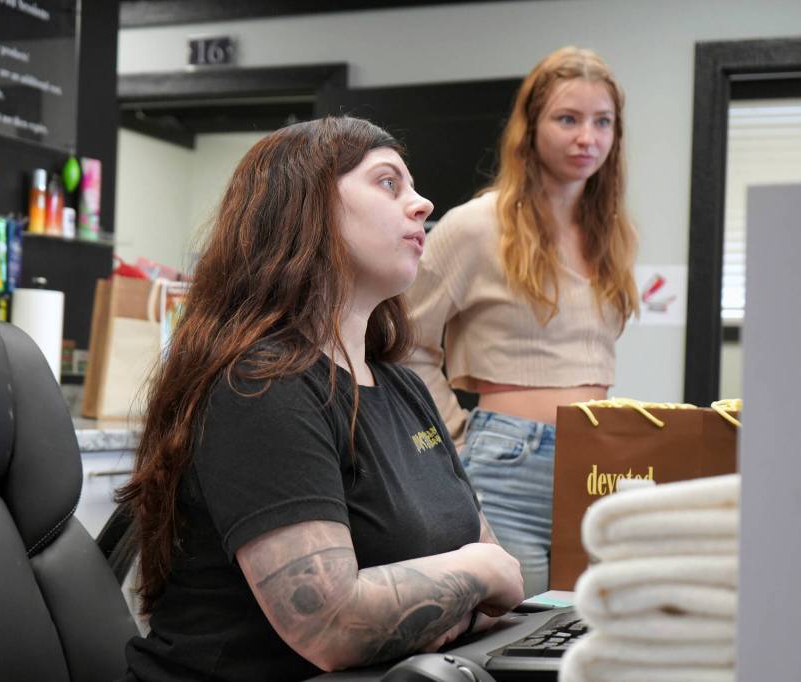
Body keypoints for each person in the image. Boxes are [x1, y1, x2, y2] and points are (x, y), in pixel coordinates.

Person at [118, 116, 525, 682]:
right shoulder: (261, 387)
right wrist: (473, 572)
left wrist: (449, 592)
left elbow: (503, 584)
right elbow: (332, 624)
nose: (423, 204)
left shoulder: (403, 386)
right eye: (389, 183)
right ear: (307, 209)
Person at [402, 46, 639, 599]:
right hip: (508, 465)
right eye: (568, 119)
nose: (588, 139)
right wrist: (452, 441)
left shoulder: (612, 235)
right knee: (513, 641)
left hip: (598, 464)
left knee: (587, 637)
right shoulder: (475, 227)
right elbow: (403, 344)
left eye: (603, 122)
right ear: (530, 129)